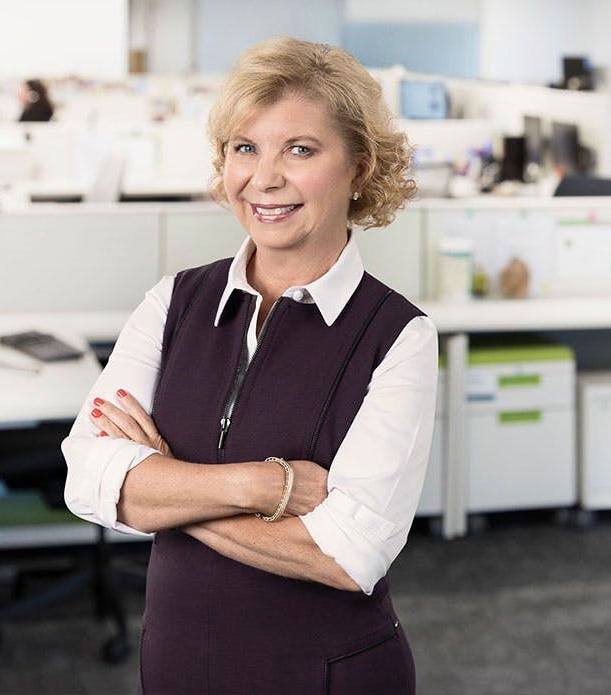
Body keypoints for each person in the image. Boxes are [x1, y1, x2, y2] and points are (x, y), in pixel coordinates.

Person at [63, 36, 437, 693]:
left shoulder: (397, 336)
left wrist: (162, 487)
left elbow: (349, 553)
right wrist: (263, 487)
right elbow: (87, 478)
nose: (263, 178)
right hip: (179, 666)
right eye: (245, 147)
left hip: (324, 677)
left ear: (358, 167)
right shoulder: (175, 303)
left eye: (300, 149)